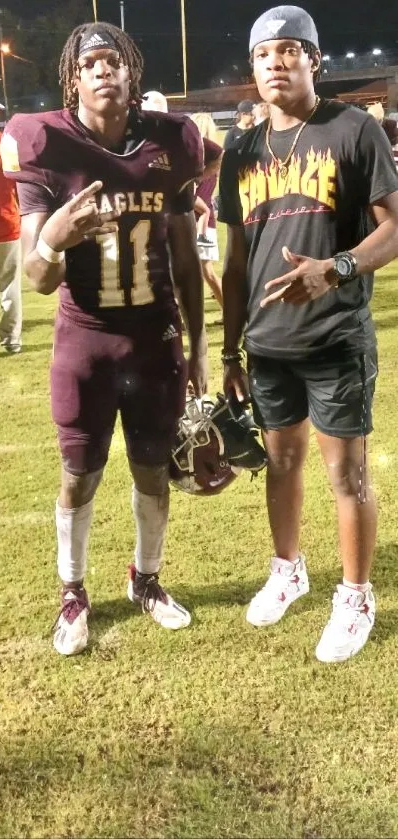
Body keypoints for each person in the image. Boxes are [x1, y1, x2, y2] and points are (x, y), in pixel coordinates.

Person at [1, 21, 208, 655]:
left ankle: (146, 581)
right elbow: (36, 276)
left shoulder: (172, 142)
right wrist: (57, 238)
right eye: (88, 62)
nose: (101, 69)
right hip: (84, 342)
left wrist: (200, 347)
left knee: (152, 472)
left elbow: (183, 259)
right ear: (73, 77)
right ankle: (74, 591)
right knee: (78, 475)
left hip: (154, 342)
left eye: (112, 59)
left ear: (131, 72)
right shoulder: (45, 143)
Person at [218, 4, 398, 662]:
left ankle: (354, 593)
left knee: (344, 474)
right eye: (265, 53)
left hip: (333, 336)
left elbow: (393, 225)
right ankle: (287, 568)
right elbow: (233, 261)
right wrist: (227, 348)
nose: (276, 61)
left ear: (313, 60)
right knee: (280, 463)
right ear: (253, 67)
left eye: (290, 50)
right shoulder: (239, 148)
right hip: (267, 343)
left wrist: (337, 268)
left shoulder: (352, 129)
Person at [0, 97, 22, 354]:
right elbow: (18, 183)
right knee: (10, 286)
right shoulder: (6, 143)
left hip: (7, 225)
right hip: (6, 225)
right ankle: (11, 340)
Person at [191, 113, 223, 308]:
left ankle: (230, 312)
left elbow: (196, 196)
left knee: (207, 273)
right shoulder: (213, 161)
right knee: (207, 274)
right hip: (205, 222)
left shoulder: (198, 160)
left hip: (199, 220)